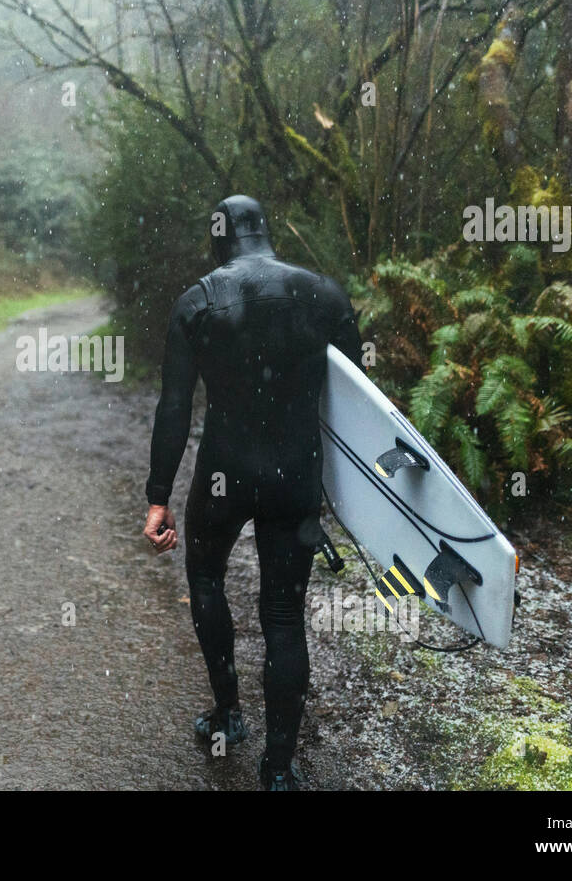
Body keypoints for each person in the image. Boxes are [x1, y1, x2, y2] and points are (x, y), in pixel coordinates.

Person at [142, 194, 363, 790]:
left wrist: (158, 495)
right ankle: (278, 767)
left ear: (219, 239)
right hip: (295, 475)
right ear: (268, 232)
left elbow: (174, 408)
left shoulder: (198, 302)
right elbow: (360, 403)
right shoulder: (326, 295)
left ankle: (228, 714)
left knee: (207, 578)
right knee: (285, 617)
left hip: (224, 475)